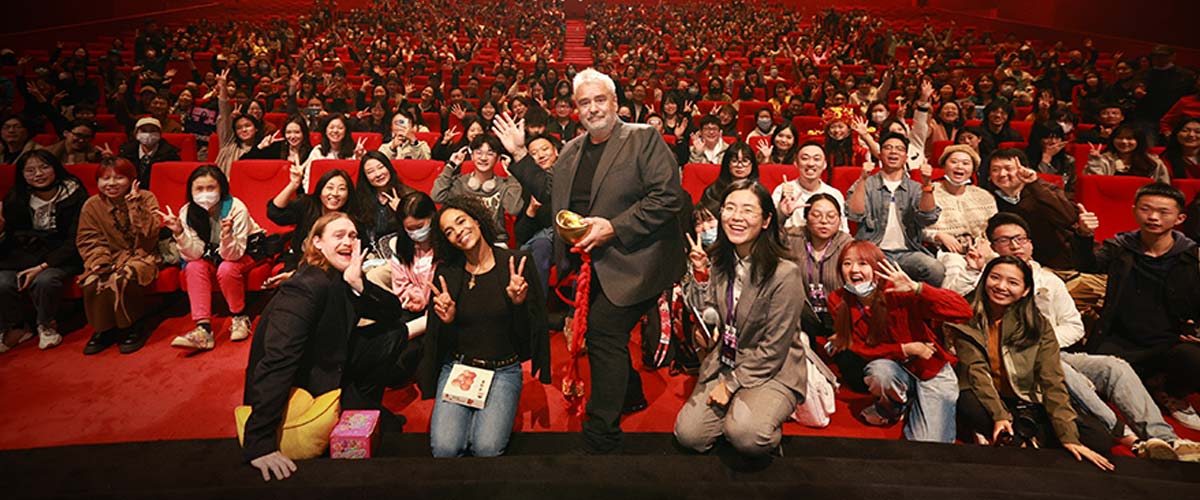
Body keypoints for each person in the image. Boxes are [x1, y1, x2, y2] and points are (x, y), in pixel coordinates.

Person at [495, 68, 687, 453]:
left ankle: (602, 433)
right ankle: (629, 392)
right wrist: (519, 153)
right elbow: (553, 194)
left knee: (603, 333)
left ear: (615, 103)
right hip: (591, 262)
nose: (593, 108)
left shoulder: (643, 138)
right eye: (585, 102)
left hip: (637, 260)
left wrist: (613, 228)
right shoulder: (572, 149)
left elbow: (668, 197)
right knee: (603, 338)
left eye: (600, 100)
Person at [947, 213, 1200, 460]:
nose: (1014, 245)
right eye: (1004, 241)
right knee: (1059, 374)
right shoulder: (985, 280)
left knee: (1114, 367)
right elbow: (955, 309)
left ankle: (1166, 438)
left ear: (1031, 244)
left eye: (1020, 239)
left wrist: (1039, 343)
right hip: (1013, 360)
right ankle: (1128, 437)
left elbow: (1074, 326)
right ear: (992, 247)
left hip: (1056, 350)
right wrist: (973, 271)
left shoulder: (1049, 280)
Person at [242, 212, 408, 481]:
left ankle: (361, 403)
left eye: (353, 236)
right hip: (303, 382)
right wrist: (259, 441)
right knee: (388, 434)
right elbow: (278, 359)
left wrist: (359, 284)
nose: (348, 241)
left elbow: (392, 312)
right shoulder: (304, 287)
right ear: (317, 243)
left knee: (393, 333)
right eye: (339, 235)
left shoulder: (342, 276)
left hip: (331, 359)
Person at [674, 180, 808, 457]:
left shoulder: (785, 273)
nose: (736, 217)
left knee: (747, 437)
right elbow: (707, 315)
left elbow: (774, 348)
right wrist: (699, 277)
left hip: (772, 368)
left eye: (748, 210)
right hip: (726, 359)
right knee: (689, 436)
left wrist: (731, 385)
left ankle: (757, 419)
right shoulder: (720, 261)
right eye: (730, 208)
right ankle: (741, 412)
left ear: (766, 220)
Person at [951, 256, 1115, 471]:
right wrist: (999, 416)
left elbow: (1052, 380)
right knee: (967, 403)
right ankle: (1018, 434)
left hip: (1027, 398)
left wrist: (1068, 437)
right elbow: (977, 373)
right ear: (985, 279)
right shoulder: (966, 316)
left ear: (1026, 290)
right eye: (995, 278)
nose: (1001, 286)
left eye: (1012, 282)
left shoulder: (1037, 324)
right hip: (986, 396)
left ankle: (1022, 437)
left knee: (1099, 439)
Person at [420, 196, 550, 457]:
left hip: (503, 370)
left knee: (486, 449)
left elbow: (529, 336)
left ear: (477, 221)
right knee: (445, 449)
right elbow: (439, 340)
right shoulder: (448, 272)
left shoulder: (515, 264)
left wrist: (518, 303)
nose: (459, 232)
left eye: (461, 222)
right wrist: (447, 321)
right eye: (449, 231)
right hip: (459, 367)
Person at [1073, 182, 1200, 432]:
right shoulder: (1120, 246)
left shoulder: (1193, 256)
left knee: (1194, 359)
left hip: (1170, 340)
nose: (1153, 217)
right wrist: (1084, 235)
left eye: (1164, 212)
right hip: (1120, 338)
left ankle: (1171, 392)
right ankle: (1150, 382)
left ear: (1180, 218)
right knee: (1092, 384)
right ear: (1134, 211)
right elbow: (1087, 266)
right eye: (1146, 209)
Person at [827, 241, 971, 442]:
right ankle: (893, 408)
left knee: (929, 445)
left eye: (862, 263)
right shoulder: (837, 299)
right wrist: (904, 349)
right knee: (879, 372)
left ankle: (912, 403)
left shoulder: (899, 290)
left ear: (877, 267)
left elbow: (964, 311)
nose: (854, 270)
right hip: (893, 368)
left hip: (930, 370)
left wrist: (918, 288)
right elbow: (859, 347)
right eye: (847, 263)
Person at [159, 165, 265, 350]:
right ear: (191, 191)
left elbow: (233, 255)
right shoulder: (187, 212)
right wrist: (179, 233)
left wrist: (226, 235)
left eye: (211, 188)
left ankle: (239, 316)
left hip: (245, 251)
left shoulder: (236, 208)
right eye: (199, 189)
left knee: (227, 268)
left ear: (221, 188)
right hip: (211, 254)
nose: (205, 194)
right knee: (193, 266)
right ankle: (203, 330)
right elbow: (194, 254)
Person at [0, 151, 86, 352]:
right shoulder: (16, 198)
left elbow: (76, 239)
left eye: (44, 167)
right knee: (2, 281)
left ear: (55, 168)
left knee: (45, 280)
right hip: (22, 256)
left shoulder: (75, 194)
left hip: (62, 255)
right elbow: (10, 241)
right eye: (30, 170)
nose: (38, 174)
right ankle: (17, 327)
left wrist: (41, 267)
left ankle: (46, 325)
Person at [76, 158, 161, 355]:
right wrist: (100, 261)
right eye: (105, 179)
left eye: (119, 178)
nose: (111, 183)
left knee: (123, 278)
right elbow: (89, 239)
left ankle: (133, 325)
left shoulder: (146, 197)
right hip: (109, 256)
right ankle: (104, 329)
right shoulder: (92, 205)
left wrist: (135, 207)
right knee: (92, 280)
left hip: (143, 254)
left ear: (132, 180)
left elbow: (151, 233)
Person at [847, 133, 945, 286]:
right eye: (888, 148)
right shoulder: (867, 183)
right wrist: (863, 179)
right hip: (874, 251)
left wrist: (927, 183)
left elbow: (928, 218)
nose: (893, 152)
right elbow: (854, 215)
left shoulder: (915, 188)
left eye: (899, 149)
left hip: (908, 252)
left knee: (935, 269)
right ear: (880, 154)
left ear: (906, 157)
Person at [989, 148, 1083, 271]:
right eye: (995, 170)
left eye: (1008, 168)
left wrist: (1034, 184)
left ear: (1023, 169)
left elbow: (1069, 217)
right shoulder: (988, 199)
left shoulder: (1043, 189)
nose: (1002, 174)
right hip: (1015, 266)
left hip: (1060, 264)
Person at [266, 166, 358, 280]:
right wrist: (293, 185)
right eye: (329, 187)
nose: (335, 193)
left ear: (348, 195)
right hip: (301, 261)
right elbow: (274, 213)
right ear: (320, 191)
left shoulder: (352, 216)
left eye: (342, 189)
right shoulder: (307, 204)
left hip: (335, 266)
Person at [431, 134, 522, 246]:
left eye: (490, 153)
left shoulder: (504, 184)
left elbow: (514, 209)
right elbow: (436, 196)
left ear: (498, 158)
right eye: (478, 152)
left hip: (496, 242)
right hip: (466, 239)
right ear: (472, 156)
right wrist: (450, 166)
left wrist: (512, 176)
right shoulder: (461, 183)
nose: (483, 158)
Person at [785, 193, 852, 344]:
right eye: (816, 215)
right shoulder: (793, 237)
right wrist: (784, 214)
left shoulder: (848, 246)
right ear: (806, 219)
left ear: (840, 219)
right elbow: (764, 236)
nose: (824, 221)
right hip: (803, 316)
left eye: (831, 216)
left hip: (839, 318)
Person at [926, 144, 997, 284]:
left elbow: (994, 229)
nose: (959, 167)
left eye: (966, 163)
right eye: (954, 162)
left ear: (973, 170)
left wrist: (987, 245)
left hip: (981, 248)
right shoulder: (929, 193)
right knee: (955, 268)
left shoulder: (984, 196)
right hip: (946, 251)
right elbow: (915, 228)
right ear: (944, 166)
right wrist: (938, 235)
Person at [772, 142, 847, 232]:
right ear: (796, 163)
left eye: (816, 159)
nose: (811, 163)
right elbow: (771, 229)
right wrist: (782, 212)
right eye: (805, 158)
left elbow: (843, 230)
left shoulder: (834, 194)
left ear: (824, 164)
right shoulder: (782, 190)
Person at [354, 151, 412, 255]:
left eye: (381, 167)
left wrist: (402, 211)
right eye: (370, 171)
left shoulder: (408, 195)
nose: (378, 174)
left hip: (399, 254)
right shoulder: (359, 199)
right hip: (368, 255)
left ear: (389, 168)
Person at [212, 69, 261, 174]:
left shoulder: (260, 149)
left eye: (247, 126)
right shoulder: (228, 142)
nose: (244, 129)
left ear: (256, 128)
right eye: (239, 128)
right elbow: (224, 112)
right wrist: (223, 87)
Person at [1084, 124, 1170, 183]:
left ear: (1139, 141)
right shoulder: (1104, 159)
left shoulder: (1153, 161)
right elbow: (1093, 184)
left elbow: (1164, 187)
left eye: (1129, 138)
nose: (1124, 142)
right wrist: (1095, 163)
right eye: (1119, 138)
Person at [118, 117, 182, 187]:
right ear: (136, 134)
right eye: (144, 131)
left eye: (153, 131)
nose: (148, 134)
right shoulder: (125, 152)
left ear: (160, 134)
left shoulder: (171, 155)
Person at [699, 142, 758, 216]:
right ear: (728, 164)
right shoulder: (712, 191)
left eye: (745, 161)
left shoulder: (758, 191)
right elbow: (705, 216)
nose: (739, 165)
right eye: (734, 161)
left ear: (752, 165)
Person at [243, 115, 312, 167]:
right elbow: (244, 162)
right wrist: (260, 147)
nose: (292, 136)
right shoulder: (276, 147)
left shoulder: (311, 152)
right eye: (288, 132)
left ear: (304, 133)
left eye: (297, 132)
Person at [1025, 121, 1077, 190]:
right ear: (1038, 139)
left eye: (1057, 138)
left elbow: (1072, 189)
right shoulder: (1025, 158)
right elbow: (1033, 186)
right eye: (1048, 138)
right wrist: (1045, 159)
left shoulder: (1068, 160)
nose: (1053, 142)